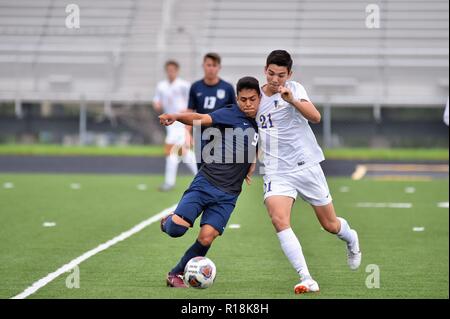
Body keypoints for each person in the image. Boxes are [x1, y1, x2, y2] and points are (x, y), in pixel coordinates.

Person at [257, 50, 362, 294]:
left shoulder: (295, 89)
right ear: (265, 70)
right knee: (278, 219)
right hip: (276, 171)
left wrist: (291, 99)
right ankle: (306, 277)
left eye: (281, 75)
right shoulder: (256, 96)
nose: (275, 79)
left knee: (330, 224)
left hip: (305, 166)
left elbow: (315, 117)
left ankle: (351, 238)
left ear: (289, 74)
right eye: (271, 73)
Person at [158, 76, 260, 288]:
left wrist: (253, 161)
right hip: (206, 182)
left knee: (206, 237)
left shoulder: (264, 119)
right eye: (243, 99)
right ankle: (168, 221)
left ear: (259, 98)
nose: (248, 104)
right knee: (176, 230)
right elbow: (201, 118)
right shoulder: (230, 113)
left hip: (229, 194)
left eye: (252, 99)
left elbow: (257, 142)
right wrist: (176, 116)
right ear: (237, 99)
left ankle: (175, 273)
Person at [153, 60, 198, 192]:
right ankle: (201, 177)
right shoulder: (161, 86)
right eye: (168, 70)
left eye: (173, 70)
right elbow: (156, 100)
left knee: (173, 151)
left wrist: (187, 126)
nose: (170, 72)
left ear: (177, 71)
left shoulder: (184, 85)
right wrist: (157, 105)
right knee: (182, 153)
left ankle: (170, 182)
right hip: (170, 124)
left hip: (181, 121)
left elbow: (192, 105)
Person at [187, 53, 237, 169]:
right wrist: (186, 133)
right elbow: (190, 111)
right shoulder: (195, 87)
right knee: (202, 169)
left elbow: (234, 112)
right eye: (208, 65)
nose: (211, 68)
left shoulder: (227, 88)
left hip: (223, 134)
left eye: (214, 65)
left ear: (219, 67)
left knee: (221, 169)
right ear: (203, 66)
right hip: (201, 134)